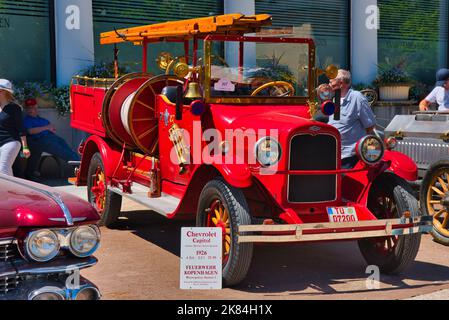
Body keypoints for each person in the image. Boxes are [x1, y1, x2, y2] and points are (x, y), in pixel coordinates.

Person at [328, 70, 377, 169]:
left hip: (350, 157)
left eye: (331, 81)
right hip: (333, 155)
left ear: (341, 83)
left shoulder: (357, 97)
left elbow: (370, 126)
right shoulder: (334, 99)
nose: (329, 84)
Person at [23, 98, 80, 179]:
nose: (30, 110)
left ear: (36, 108)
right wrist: (46, 128)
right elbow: (30, 131)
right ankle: (78, 167)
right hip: (40, 140)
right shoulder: (27, 120)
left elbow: (52, 128)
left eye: (32, 107)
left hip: (51, 137)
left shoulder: (42, 120)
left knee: (67, 148)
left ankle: (79, 165)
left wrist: (47, 128)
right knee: (62, 151)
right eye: (28, 108)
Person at [0, 79, 30, 176]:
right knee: (5, 171)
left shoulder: (15, 108)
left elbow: (21, 128)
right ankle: (11, 190)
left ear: (5, 92)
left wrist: (25, 147)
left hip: (11, 142)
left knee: (3, 169)